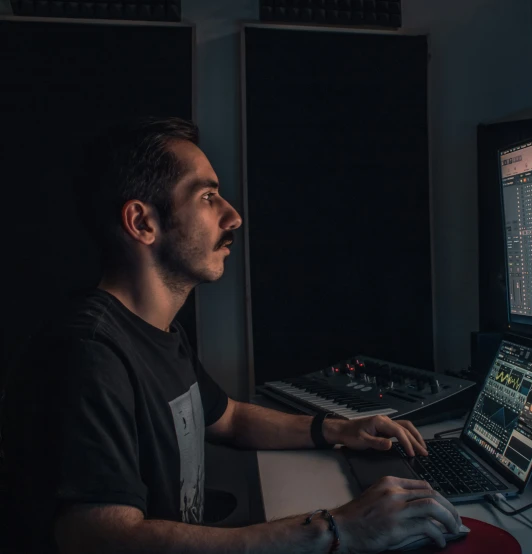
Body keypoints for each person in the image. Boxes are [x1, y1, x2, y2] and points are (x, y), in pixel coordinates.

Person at [0, 117, 461, 554]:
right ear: (142, 223)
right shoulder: (89, 354)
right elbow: (99, 539)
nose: (234, 217)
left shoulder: (157, 331)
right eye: (207, 197)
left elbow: (231, 418)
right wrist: (337, 529)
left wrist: (340, 430)